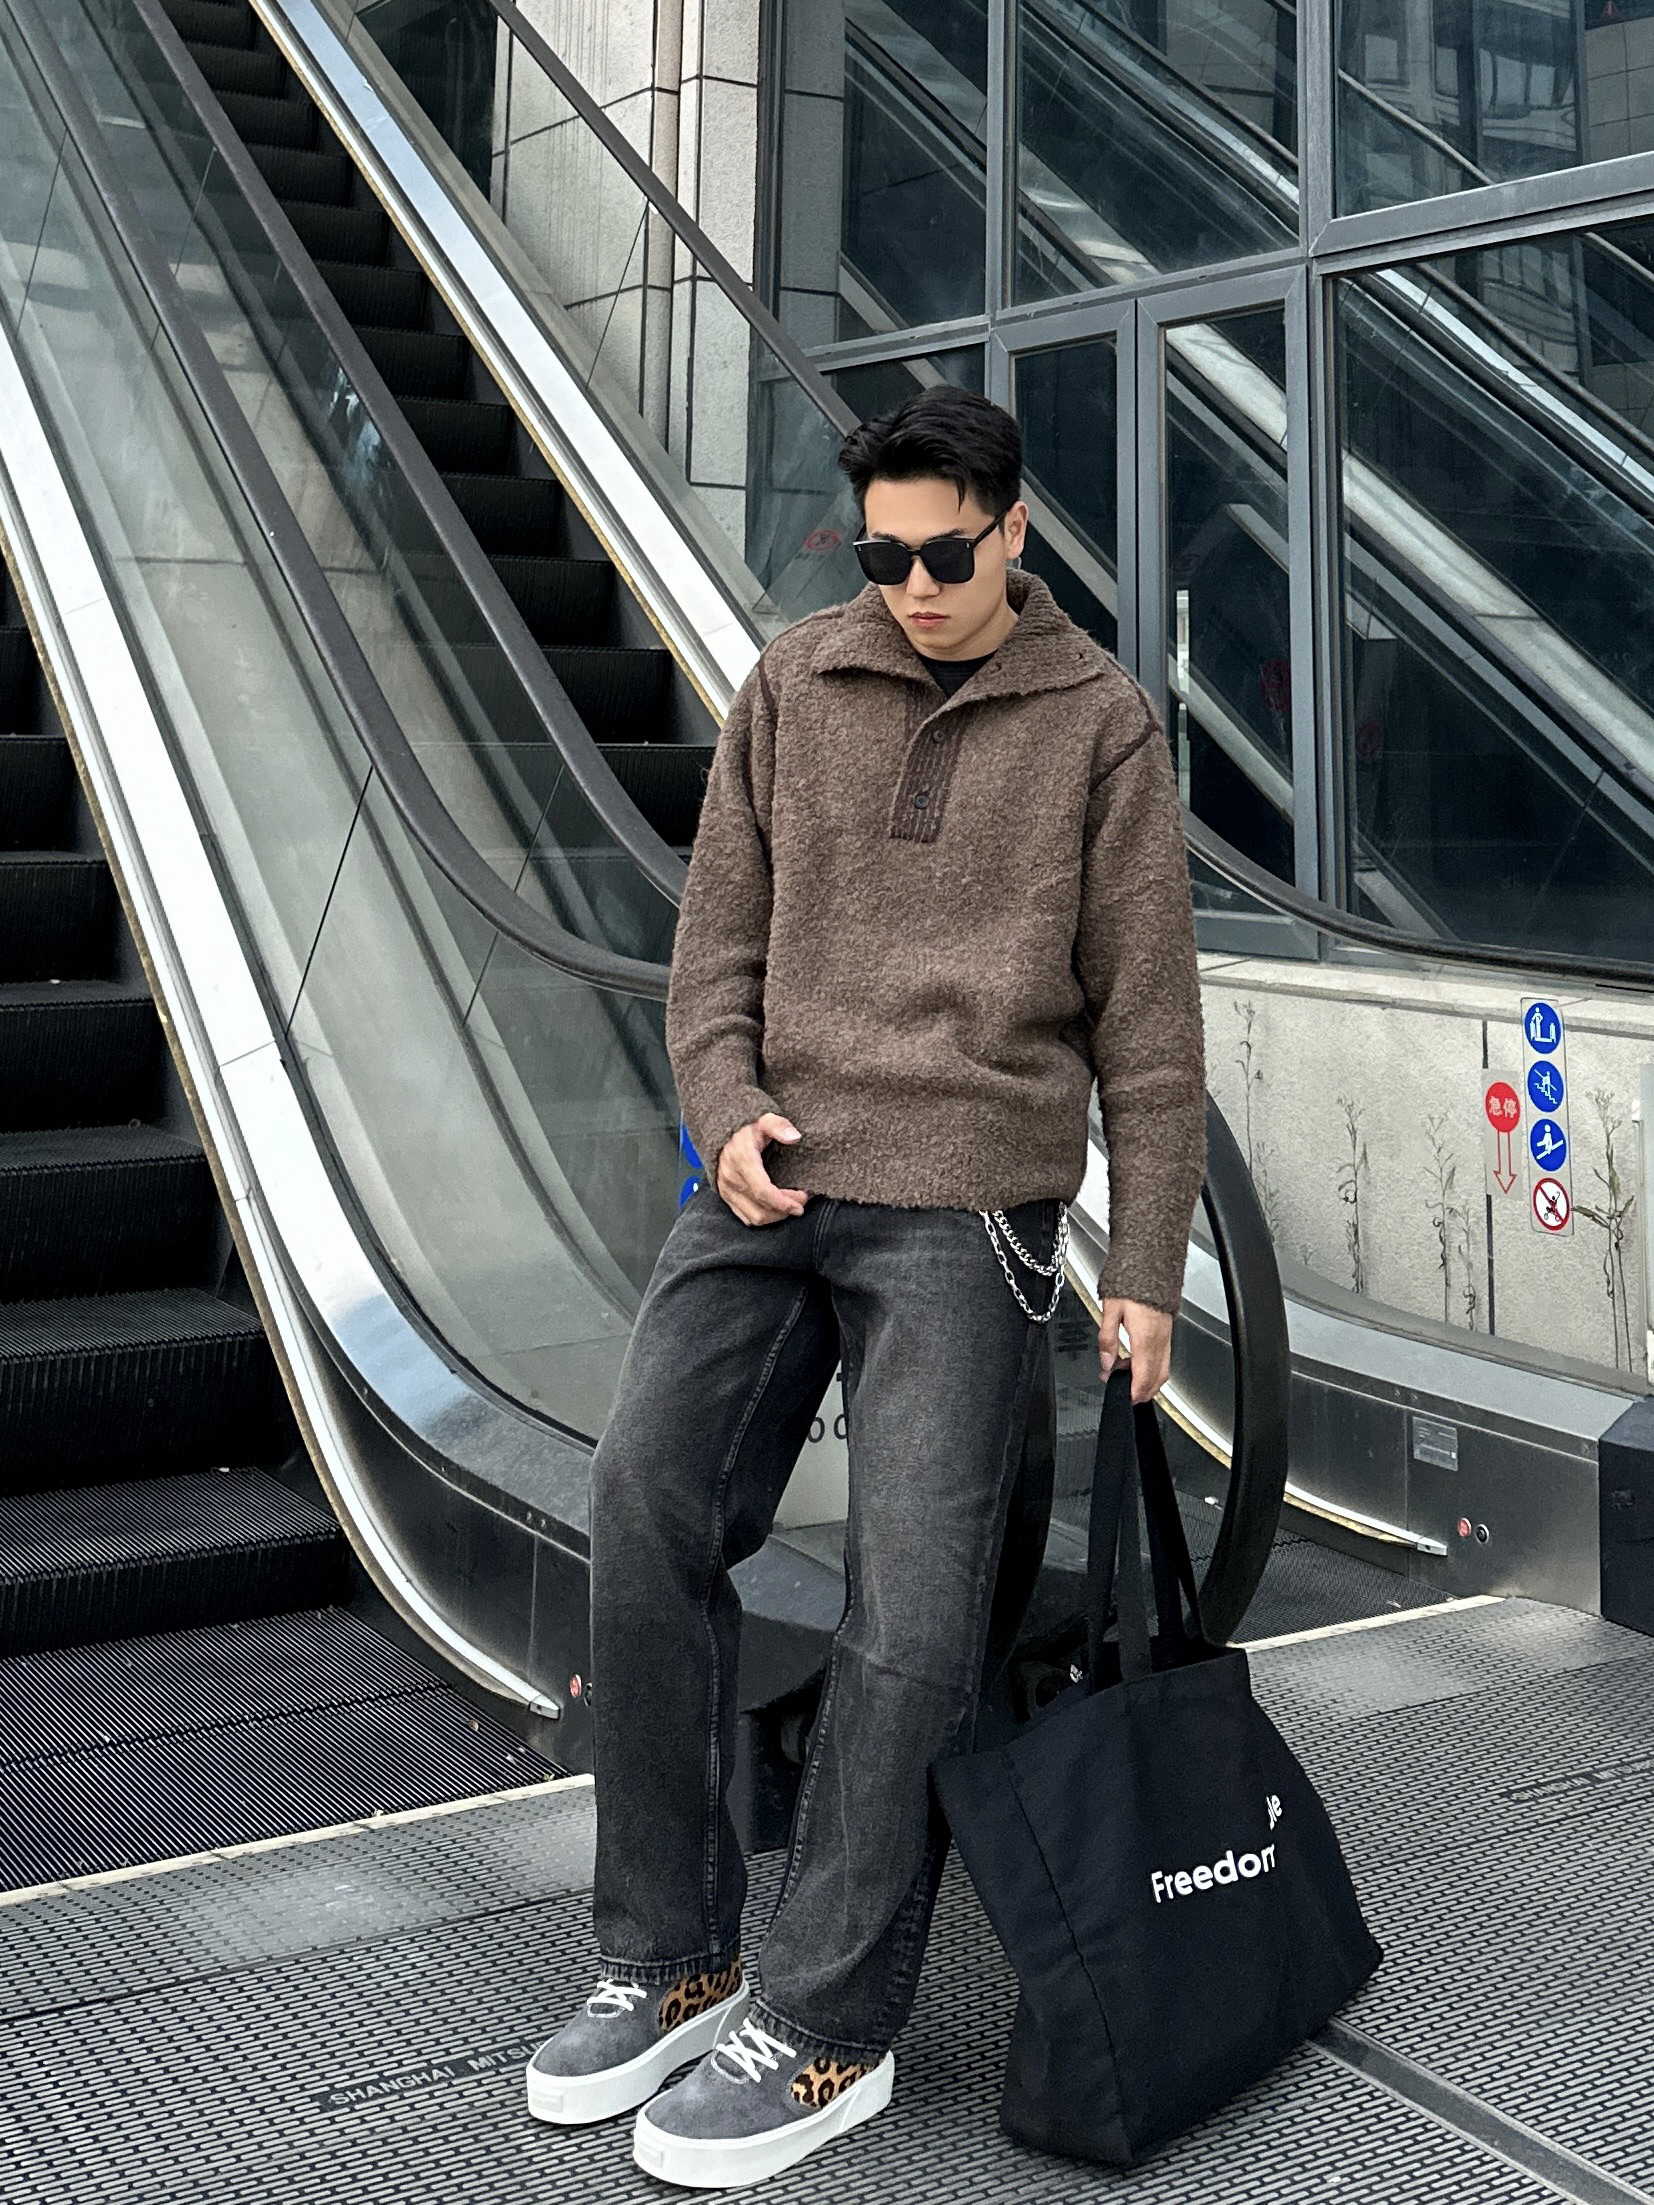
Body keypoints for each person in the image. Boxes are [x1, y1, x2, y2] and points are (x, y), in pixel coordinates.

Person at [525, 386, 1207, 2188]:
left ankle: (829, 2021)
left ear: (1015, 530)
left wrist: (1144, 1265)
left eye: (943, 554)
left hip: (968, 1210)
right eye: (882, 553)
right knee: (641, 1505)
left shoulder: (1100, 726)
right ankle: (671, 1950)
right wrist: (724, 1108)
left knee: (911, 1613)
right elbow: (710, 955)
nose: (910, 585)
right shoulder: (791, 683)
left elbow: (1149, 1031)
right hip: (771, 1182)